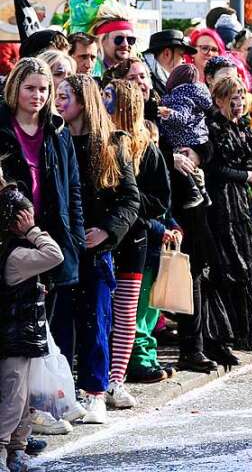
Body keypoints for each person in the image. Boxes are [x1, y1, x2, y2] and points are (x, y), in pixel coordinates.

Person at [53, 74, 140, 424]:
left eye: (65, 96)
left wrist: (106, 231)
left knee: (96, 323)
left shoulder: (113, 143)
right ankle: (63, 393)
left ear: (84, 100)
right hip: (62, 248)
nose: (59, 102)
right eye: (57, 96)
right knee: (60, 325)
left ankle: (95, 393)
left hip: (96, 250)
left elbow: (130, 200)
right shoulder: (54, 140)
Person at [102, 80, 173, 404]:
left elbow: (161, 198)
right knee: (101, 312)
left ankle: (117, 379)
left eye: (109, 99)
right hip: (104, 238)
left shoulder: (148, 149)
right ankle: (99, 381)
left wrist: (129, 207)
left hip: (135, 240)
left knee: (128, 312)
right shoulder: (99, 143)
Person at [0, 60, 83, 295]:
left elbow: (73, 188)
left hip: (52, 238)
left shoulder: (59, 131)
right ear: (15, 87)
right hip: (10, 239)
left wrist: (75, 239)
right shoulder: (2, 127)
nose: (37, 95)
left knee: (46, 324)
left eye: (44, 89)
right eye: (30, 88)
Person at [202, 75, 252, 362]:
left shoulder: (241, 127)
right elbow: (214, 169)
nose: (239, 103)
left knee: (247, 264)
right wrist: (246, 175)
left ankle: (245, 332)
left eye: (241, 96)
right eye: (232, 98)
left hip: (241, 204)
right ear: (218, 100)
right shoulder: (214, 128)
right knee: (227, 266)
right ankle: (223, 336)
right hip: (221, 205)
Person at [0, 183, 64, 472]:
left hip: (20, 337)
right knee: (14, 398)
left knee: (22, 398)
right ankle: (3, 454)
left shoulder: (14, 251)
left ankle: (17, 452)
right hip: (14, 338)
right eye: (26, 216)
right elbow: (55, 255)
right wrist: (33, 231)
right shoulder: (17, 256)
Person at [158, 64, 212, 210]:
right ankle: (204, 194)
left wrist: (168, 114)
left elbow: (182, 117)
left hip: (185, 139)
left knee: (181, 162)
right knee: (192, 170)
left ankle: (194, 193)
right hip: (199, 138)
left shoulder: (181, 95)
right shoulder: (197, 93)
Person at [142, 29, 196, 97]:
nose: (184, 60)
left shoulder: (160, 78)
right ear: (167, 54)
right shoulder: (145, 80)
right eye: (181, 55)